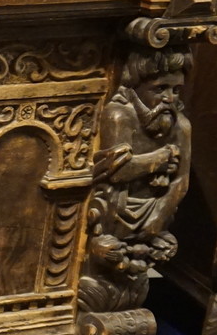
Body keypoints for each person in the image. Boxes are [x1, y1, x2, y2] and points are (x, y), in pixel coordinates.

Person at [79, 46, 192, 314]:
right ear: (135, 86)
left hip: (152, 211)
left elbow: (182, 180)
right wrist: (160, 158)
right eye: (160, 89)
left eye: (176, 90)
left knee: (133, 262)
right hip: (114, 208)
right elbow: (117, 170)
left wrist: (157, 220)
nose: (169, 98)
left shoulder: (180, 125)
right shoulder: (120, 115)